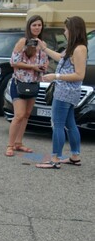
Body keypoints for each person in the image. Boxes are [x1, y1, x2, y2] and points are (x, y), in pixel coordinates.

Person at [36, 16, 88, 169]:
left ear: (73, 30)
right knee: (70, 124)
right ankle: (74, 156)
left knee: (57, 125)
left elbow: (80, 74)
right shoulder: (74, 47)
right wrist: (44, 48)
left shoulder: (79, 49)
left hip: (65, 92)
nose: (65, 32)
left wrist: (55, 76)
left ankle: (55, 159)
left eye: (66, 29)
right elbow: (60, 57)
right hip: (68, 92)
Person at [5, 15, 48, 157]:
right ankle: (10, 145)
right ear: (29, 27)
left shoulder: (42, 44)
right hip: (19, 83)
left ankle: (19, 143)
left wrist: (43, 67)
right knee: (19, 115)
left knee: (27, 115)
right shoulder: (23, 42)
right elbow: (13, 62)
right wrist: (33, 67)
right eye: (34, 25)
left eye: (39, 25)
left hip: (34, 84)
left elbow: (45, 62)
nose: (37, 28)